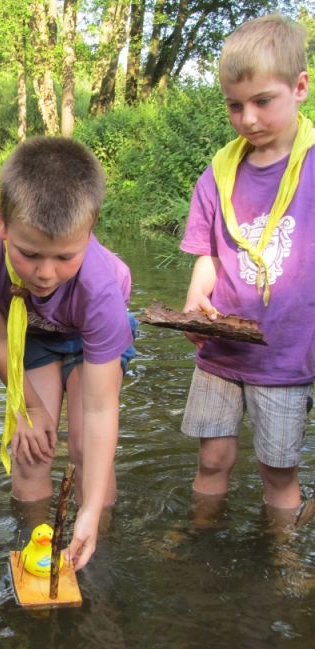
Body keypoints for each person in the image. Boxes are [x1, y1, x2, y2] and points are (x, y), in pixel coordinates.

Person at [0, 136, 135, 570]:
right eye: (29, 254)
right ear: (2, 221)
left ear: (90, 231)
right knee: (30, 447)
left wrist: (85, 513)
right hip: (27, 335)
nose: (45, 274)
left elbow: (101, 408)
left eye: (65, 257)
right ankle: (33, 550)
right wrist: (30, 407)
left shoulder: (102, 287)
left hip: (92, 341)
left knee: (87, 450)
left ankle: (94, 546)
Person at [180, 14, 315, 527]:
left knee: (278, 471)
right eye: (234, 106)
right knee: (212, 458)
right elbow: (208, 256)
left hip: (286, 354)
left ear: (300, 87)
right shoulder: (217, 175)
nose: (248, 119)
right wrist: (195, 307)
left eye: (262, 101)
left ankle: (282, 559)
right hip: (220, 349)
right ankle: (200, 535)